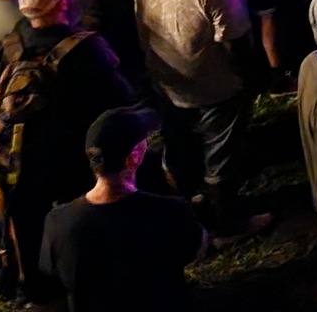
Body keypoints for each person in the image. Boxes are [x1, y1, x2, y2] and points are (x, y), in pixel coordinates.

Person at [0, 0, 135, 302]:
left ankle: (32, 287)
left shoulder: (7, 47)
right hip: (71, 159)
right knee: (81, 223)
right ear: (62, 3)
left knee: (27, 223)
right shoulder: (86, 48)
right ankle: (85, 283)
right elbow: (120, 99)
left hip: (18, 160)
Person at [133, 0, 270, 234]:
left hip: (168, 80)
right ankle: (227, 222)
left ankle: (189, 207)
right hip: (214, 85)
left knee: (181, 145)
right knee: (221, 153)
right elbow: (236, 42)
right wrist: (250, 77)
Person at [39, 106, 207, 312]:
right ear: (134, 156)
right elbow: (196, 249)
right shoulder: (170, 212)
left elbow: (52, 285)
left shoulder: (57, 222)